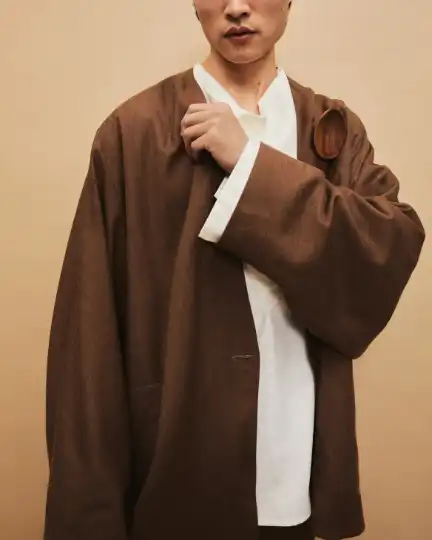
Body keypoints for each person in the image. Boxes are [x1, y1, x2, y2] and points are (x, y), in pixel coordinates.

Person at [44, 1, 425, 540]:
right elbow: (87, 340)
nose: (238, 7)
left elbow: (387, 246)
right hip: (174, 470)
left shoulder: (330, 126)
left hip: (295, 470)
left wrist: (250, 164)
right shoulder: (133, 132)